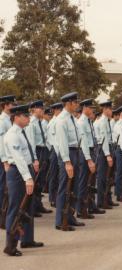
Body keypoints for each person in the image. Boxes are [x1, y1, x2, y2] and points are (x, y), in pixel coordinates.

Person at [3, 104, 44, 256]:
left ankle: (27, 239)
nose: (28, 118)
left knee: (27, 207)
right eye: (25, 116)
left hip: (26, 170)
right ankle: (10, 246)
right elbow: (18, 159)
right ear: (17, 117)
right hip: (18, 173)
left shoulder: (21, 132)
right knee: (16, 209)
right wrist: (27, 178)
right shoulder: (12, 135)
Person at [55, 92, 84, 231]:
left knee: (73, 188)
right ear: (69, 103)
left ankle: (70, 217)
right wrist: (67, 162)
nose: (77, 105)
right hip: (67, 154)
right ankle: (60, 220)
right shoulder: (62, 120)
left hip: (75, 152)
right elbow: (62, 143)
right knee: (64, 188)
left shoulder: (72, 118)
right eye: (75, 103)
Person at [25, 100, 52, 216]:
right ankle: (32, 207)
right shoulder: (31, 123)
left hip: (43, 150)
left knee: (41, 180)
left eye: (42, 109)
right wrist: (34, 159)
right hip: (37, 152)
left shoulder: (41, 123)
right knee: (35, 180)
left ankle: (38, 204)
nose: (42, 111)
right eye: (40, 109)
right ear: (33, 109)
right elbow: (31, 143)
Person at [94, 100, 118, 209]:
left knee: (109, 177)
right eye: (110, 109)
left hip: (108, 148)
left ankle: (107, 199)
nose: (111, 111)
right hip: (103, 150)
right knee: (102, 177)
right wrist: (108, 155)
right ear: (105, 109)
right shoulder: (102, 121)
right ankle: (101, 201)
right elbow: (103, 140)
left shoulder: (107, 121)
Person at [0, 95, 16, 226]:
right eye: (12, 104)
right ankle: (2, 215)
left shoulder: (9, 120)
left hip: (10, 158)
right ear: (5, 105)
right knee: (2, 187)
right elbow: (1, 142)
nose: (14, 106)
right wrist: (5, 161)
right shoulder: (2, 120)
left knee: (7, 188)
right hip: (4, 159)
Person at [46, 102, 63, 207]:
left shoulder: (58, 121)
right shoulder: (53, 122)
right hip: (55, 151)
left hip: (58, 150)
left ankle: (55, 197)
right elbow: (51, 140)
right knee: (54, 175)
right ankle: (52, 198)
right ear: (56, 110)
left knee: (58, 176)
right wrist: (55, 152)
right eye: (60, 110)